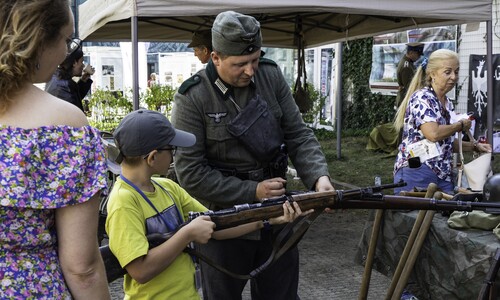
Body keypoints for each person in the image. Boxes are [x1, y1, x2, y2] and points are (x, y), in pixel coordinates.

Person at [171, 10, 334, 300]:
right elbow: (190, 173)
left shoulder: (270, 75)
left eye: (255, 59)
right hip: (223, 224)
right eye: (240, 63)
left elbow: (297, 133)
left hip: (278, 217)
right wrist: (253, 191)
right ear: (215, 57)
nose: (250, 70)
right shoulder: (192, 97)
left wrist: (318, 178)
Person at [105, 109, 307, 299]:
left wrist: (266, 219)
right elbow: (140, 270)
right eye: (172, 149)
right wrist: (187, 235)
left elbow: (216, 225)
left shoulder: (167, 187)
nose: (174, 155)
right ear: (152, 157)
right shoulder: (124, 201)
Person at [0, 0, 110, 299]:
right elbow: (82, 267)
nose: (66, 52)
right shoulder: (65, 126)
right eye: (65, 39)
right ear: (38, 39)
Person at [393, 49, 492, 195]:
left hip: (442, 175)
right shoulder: (422, 98)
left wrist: (474, 146)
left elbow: (445, 144)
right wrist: (460, 125)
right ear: (432, 74)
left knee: (448, 216)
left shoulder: (447, 103)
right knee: (418, 217)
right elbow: (433, 134)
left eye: (456, 72)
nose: (453, 77)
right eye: (448, 72)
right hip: (418, 171)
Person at [45, 43, 94, 113]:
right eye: (81, 62)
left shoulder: (59, 79)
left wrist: (83, 81)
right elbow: (73, 108)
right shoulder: (62, 86)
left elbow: (74, 98)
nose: (83, 65)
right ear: (74, 63)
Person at [395, 42, 425, 108]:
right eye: (418, 54)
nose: (419, 57)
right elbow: (409, 86)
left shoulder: (408, 63)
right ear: (411, 53)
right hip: (405, 99)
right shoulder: (406, 66)